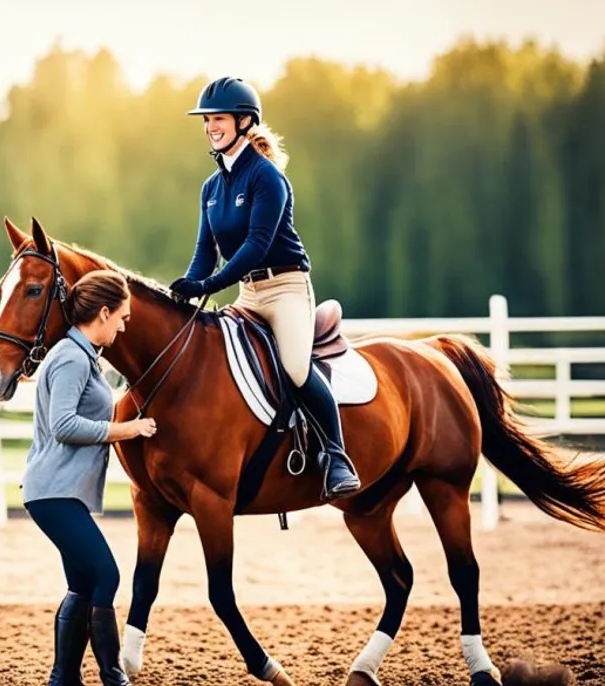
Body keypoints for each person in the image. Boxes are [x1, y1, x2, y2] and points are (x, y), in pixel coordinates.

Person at [168, 76, 361, 500]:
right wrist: (185, 291)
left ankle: (336, 454)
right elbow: (206, 251)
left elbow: (256, 246)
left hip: (286, 289)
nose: (210, 127)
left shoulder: (266, 177)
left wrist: (213, 283)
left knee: (294, 367)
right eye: (206, 121)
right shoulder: (211, 187)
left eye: (218, 119)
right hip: (248, 294)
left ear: (244, 122)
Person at [22, 270, 157, 686]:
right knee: (107, 575)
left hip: (59, 493)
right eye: (122, 317)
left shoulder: (81, 357)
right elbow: (64, 424)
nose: (123, 325)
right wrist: (128, 430)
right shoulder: (70, 357)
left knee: (82, 581)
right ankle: (113, 676)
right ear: (102, 313)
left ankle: (63, 678)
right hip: (53, 492)